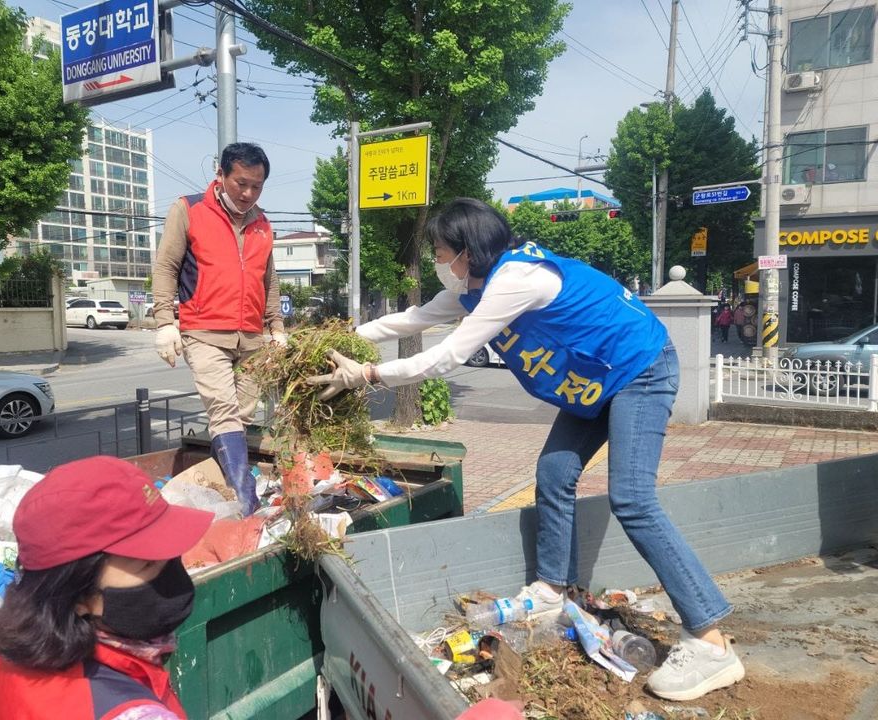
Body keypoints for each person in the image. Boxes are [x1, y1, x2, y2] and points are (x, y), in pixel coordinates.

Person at [307, 198, 745, 702]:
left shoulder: (517, 279)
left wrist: (366, 373)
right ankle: (551, 590)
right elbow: (411, 320)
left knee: (632, 499)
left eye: (441, 250)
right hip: (594, 382)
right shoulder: (476, 285)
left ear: (468, 251)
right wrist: (336, 339)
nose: (436, 260)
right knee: (554, 474)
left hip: (639, 369)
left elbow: (448, 354)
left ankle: (711, 641)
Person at [0, 456, 214, 719]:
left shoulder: (17, 653)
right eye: (148, 564)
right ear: (77, 594)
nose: (172, 568)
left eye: (172, 550)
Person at [152, 142, 286, 516]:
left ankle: (223, 490)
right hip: (204, 330)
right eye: (241, 183)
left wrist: (276, 326)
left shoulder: (262, 223)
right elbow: (166, 267)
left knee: (243, 416)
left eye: (256, 186)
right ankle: (247, 501)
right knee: (224, 412)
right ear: (221, 175)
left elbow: (268, 279)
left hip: (253, 335)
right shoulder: (189, 209)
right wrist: (165, 322)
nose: (248, 193)